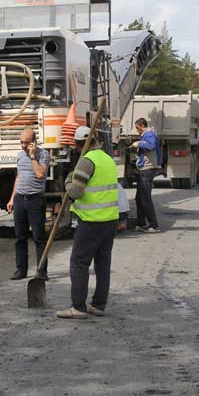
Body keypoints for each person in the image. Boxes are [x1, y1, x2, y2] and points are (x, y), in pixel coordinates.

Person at [56, 126, 119, 319]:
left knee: (79, 263)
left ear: (79, 144)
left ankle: (78, 307)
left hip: (92, 220)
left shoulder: (86, 161)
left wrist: (68, 181)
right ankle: (99, 305)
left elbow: (75, 192)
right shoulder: (107, 159)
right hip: (110, 219)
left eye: (75, 145)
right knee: (102, 263)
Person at [7, 128, 50, 280]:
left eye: (27, 143)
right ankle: (21, 269)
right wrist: (12, 198)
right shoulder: (19, 155)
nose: (23, 146)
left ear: (34, 142)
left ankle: (41, 271)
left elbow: (40, 174)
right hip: (20, 199)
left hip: (35, 200)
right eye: (21, 143)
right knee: (20, 237)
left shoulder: (43, 155)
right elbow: (19, 177)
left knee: (39, 237)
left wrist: (32, 157)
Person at [132, 117, 161, 234]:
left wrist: (138, 143)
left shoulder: (149, 134)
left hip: (147, 169)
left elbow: (151, 146)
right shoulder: (146, 134)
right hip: (143, 169)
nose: (136, 130)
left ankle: (154, 225)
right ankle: (141, 223)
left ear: (142, 125)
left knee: (145, 198)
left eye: (137, 127)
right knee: (139, 198)